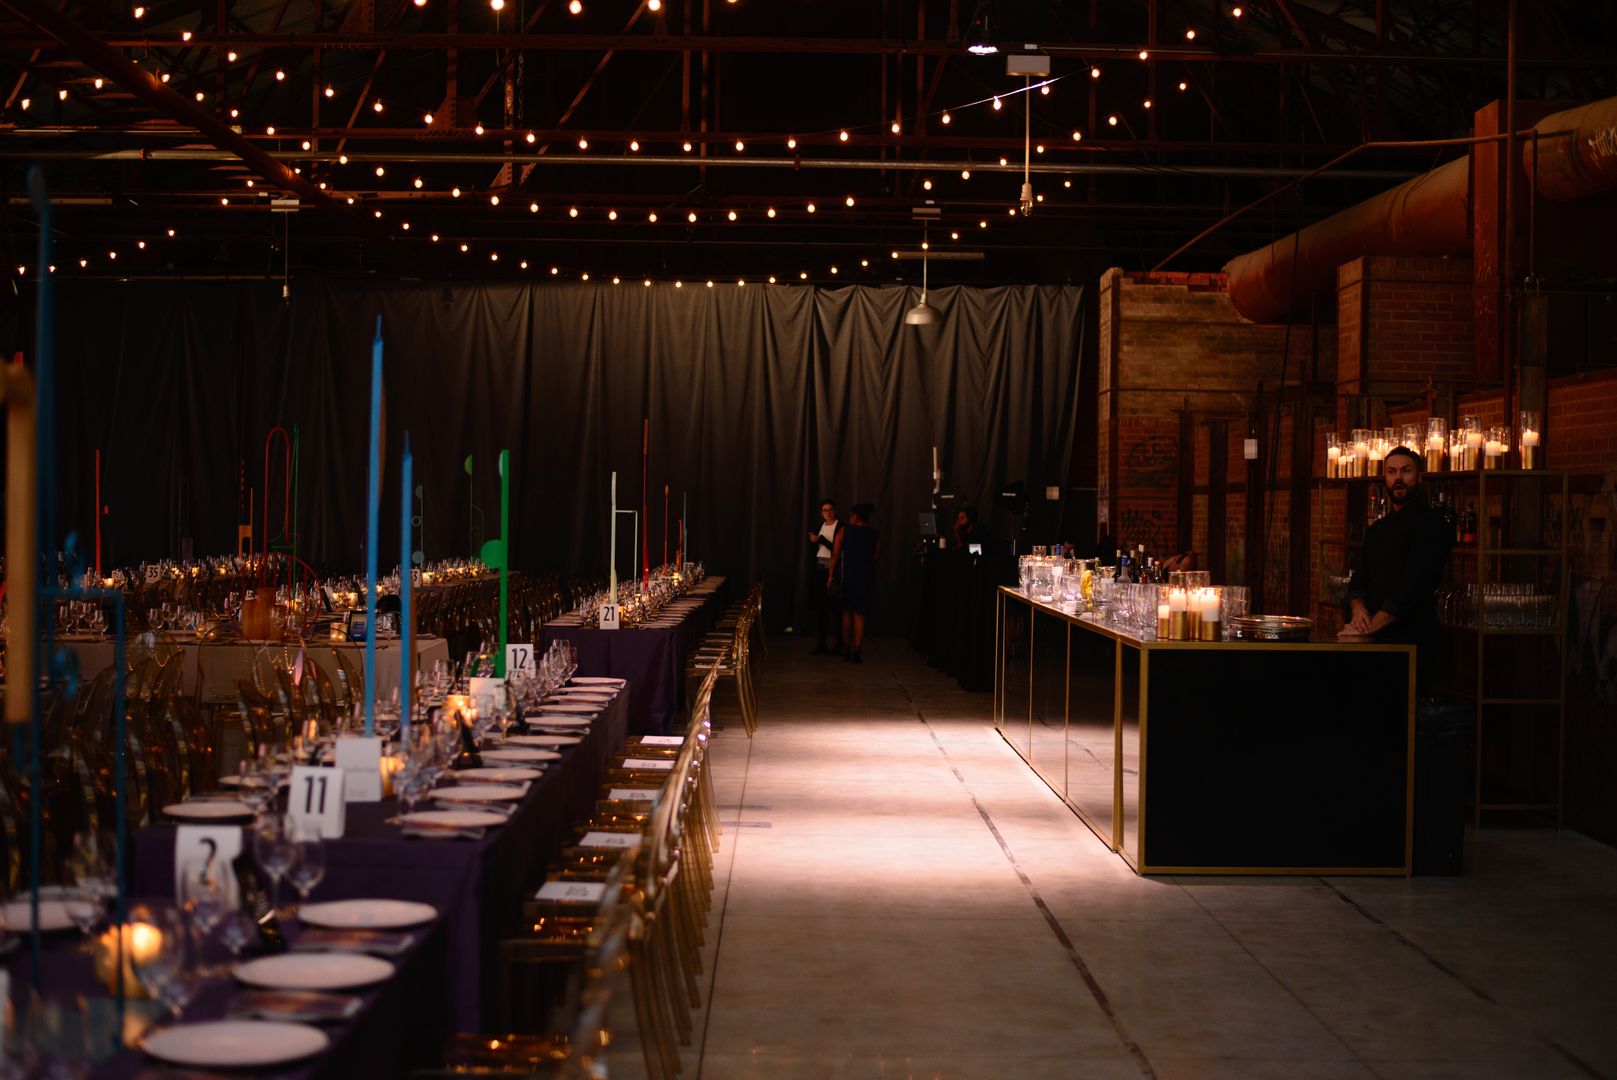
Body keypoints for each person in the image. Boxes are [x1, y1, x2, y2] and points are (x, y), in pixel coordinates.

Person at [1341, 446, 1453, 692]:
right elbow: (1359, 581)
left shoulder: (1434, 525)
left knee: (1404, 716)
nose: (1398, 478)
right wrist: (1358, 611)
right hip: (1374, 638)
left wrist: (1368, 627)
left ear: (1419, 477)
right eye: (1391, 472)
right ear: (1386, 478)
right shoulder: (1377, 530)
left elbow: (1414, 585)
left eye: (1406, 471)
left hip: (1414, 638)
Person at [829, 503, 879, 663]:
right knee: (860, 615)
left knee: (847, 613)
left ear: (855, 516)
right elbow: (875, 557)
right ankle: (857, 651)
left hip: (848, 576)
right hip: (865, 576)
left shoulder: (845, 530)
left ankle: (845, 648)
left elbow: (835, 554)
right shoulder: (873, 534)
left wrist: (830, 576)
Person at [805, 498, 843, 655]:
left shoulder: (840, 526)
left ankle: (839, 643)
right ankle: (822, 643)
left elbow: (836, 548)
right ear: (821, 512)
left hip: (833, 569)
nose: (828, 512)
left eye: (830, 509)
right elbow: (815, 549)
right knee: (821, 608)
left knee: (835, 608)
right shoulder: (819, 526)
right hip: (819, 569)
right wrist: (813, 541)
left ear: (835, 510)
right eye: (825, 510)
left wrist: (820, 539)